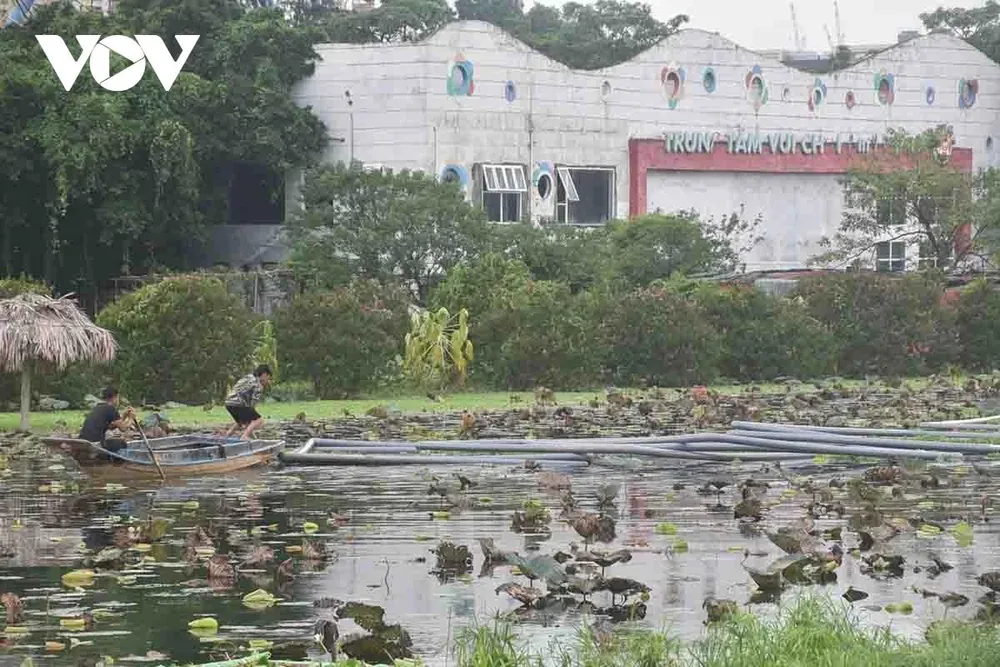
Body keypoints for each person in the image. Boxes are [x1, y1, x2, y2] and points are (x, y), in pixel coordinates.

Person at [79, 387, 135, 460]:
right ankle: (112, 461)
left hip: (83, 441)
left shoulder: (98, 407)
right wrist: (131, 418)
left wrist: (124, 417)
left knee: (112, 441)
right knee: (122, 443)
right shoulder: (111, 408)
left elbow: (110, 426)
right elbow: (123, 428)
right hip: (95, 443)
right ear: (115, 397)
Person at [223, 364, 272, 440]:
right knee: (259, 420)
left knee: (242, 421)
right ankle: (244, 437)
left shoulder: (248, 377)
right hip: (238, 403)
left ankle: (227, 435)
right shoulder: (258, 385)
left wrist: (256, 440)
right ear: (264, 374)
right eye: (268, 378)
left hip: (229, 402)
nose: (268, 381)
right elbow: (252, 406)